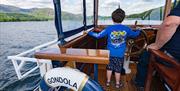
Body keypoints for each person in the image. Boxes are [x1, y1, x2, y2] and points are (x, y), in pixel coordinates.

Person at [87, 8, 140, 88]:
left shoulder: (109, 28)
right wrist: (139, 30)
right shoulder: (126, 29)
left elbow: (98, 36)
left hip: (110, 53)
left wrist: (89, 32)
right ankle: (117, 84)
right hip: (120, 54)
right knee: (118, 69)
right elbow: (134, 35)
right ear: (123, 18)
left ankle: (108, 82)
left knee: (109, 68)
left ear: (112, 18)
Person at [133, 2, 180, 90]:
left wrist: (157, 45)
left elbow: (169, 23)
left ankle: (140, 83)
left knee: (145, 54)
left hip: (173, 58)